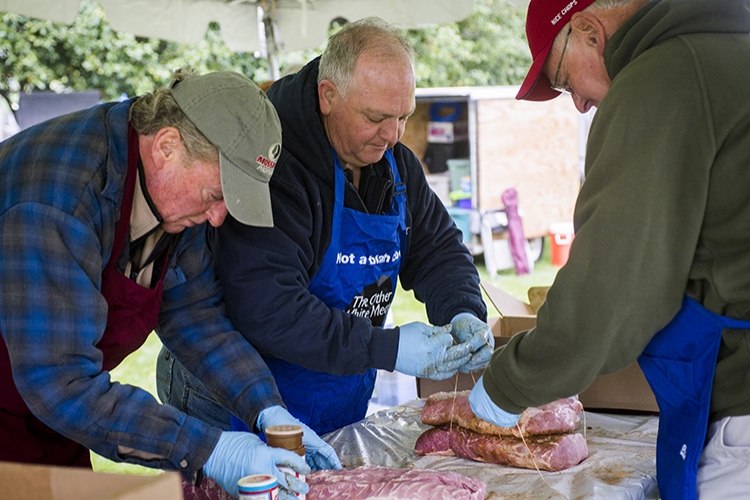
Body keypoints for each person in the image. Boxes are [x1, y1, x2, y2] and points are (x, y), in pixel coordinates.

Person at [0, 70, 341, 500]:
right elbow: (60, 382)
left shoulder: (176, 195)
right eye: (215, 196)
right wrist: (207, 450)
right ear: (166, 146)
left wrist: (266, 409)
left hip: (53, 414)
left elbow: (196, 317)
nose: (218, 218)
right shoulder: (58, 202)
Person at [157, 17, 494, 436]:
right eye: (376, 117)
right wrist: (387, 348)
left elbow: (438, 249)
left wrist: (462, 309)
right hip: (238, 399)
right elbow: (269, 307)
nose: (392, 135)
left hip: (337, 392)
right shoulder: (272, 169)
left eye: (403, 116)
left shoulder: (394, 164)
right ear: (328, 96)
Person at [467, 0, 750, 499]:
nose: (576, 103)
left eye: (562, 79)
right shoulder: (728, 43)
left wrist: (506, 384)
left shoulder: (662, 77)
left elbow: (611, 294)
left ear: (588, 30)